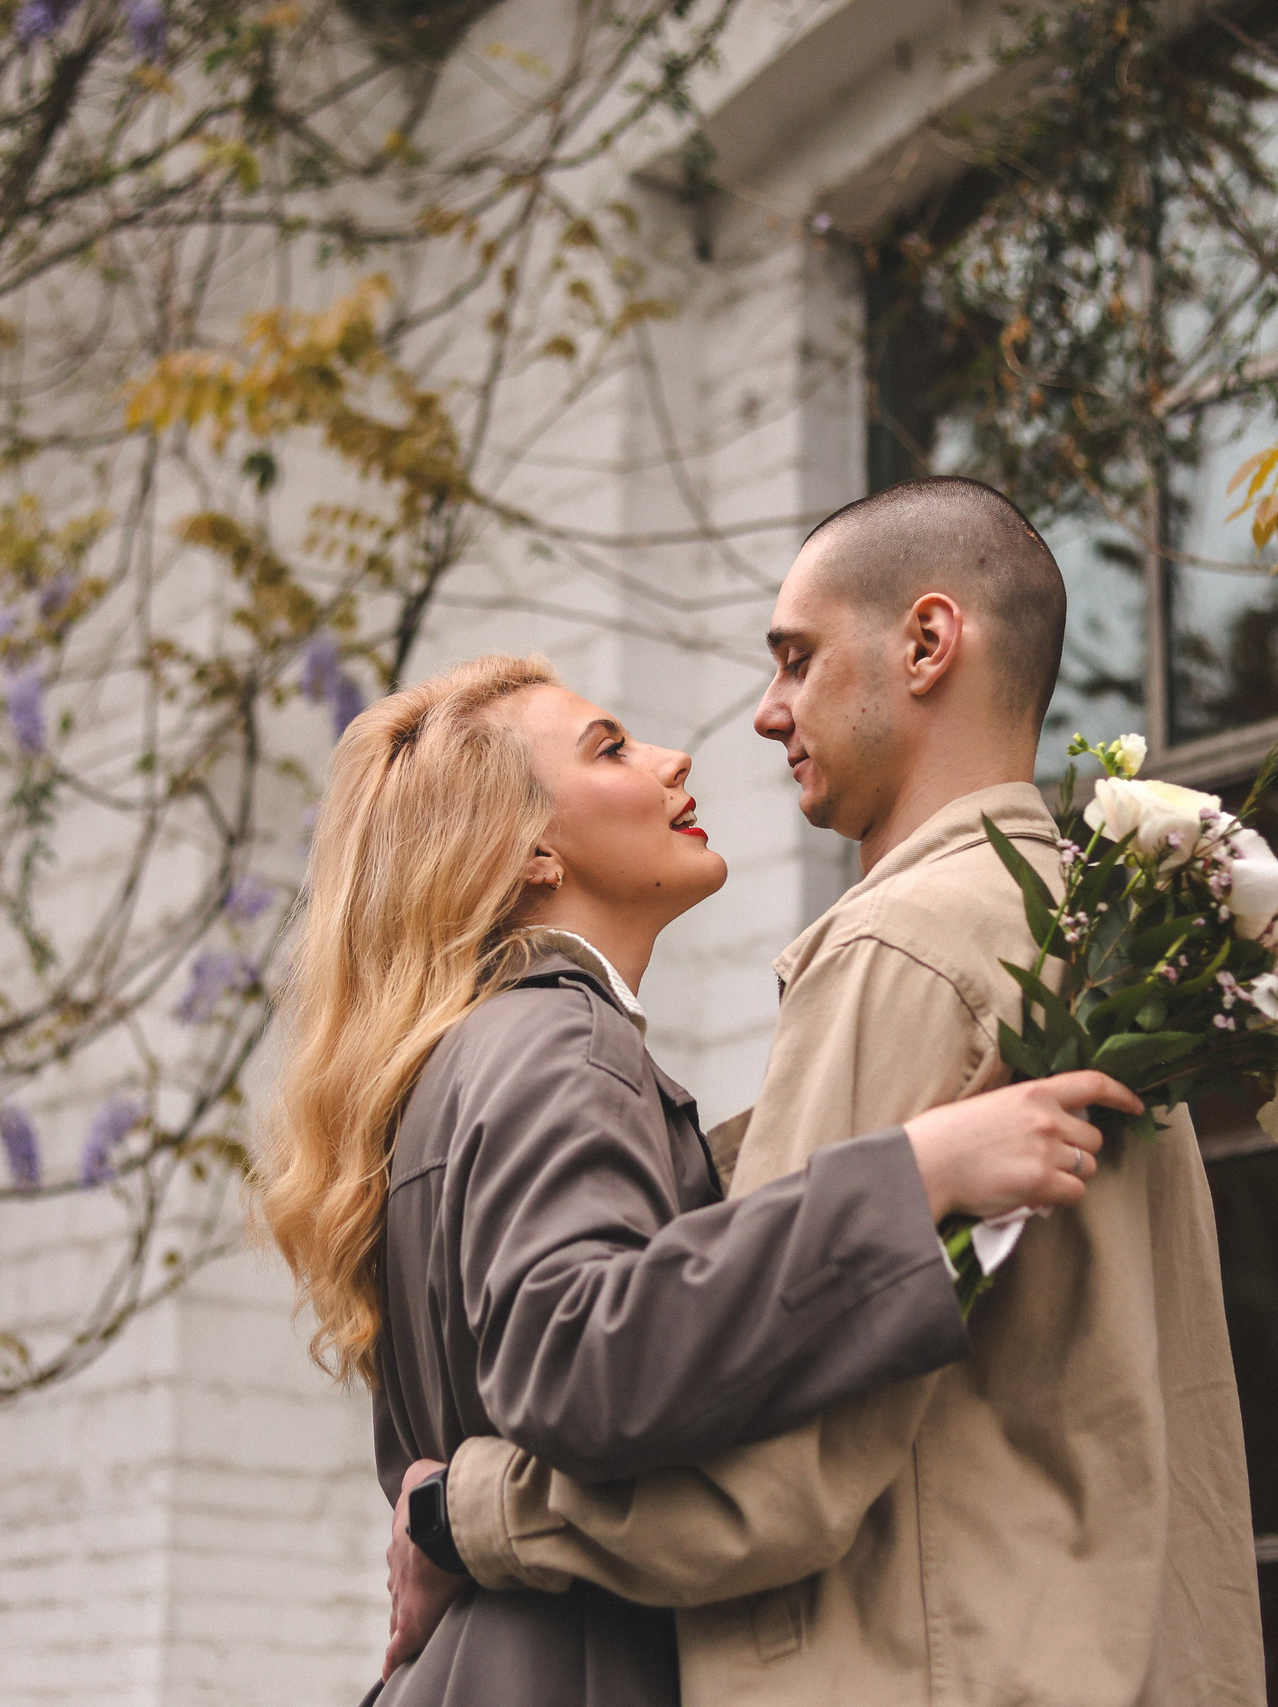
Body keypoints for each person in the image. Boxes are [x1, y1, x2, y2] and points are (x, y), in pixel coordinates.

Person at [386, 478, 1267, 1706]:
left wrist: (461, 1516)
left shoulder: (900, 951)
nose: (760, 715)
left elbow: (767, 1482)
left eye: (793, 661)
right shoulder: (1099, 943)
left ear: (925, 642)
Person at [257, 651, 1145, 1707]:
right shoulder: (559, 1044)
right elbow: (575, 1348)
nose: (675, 760)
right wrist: (914, 1175)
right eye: (612, 749)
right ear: (528, 847)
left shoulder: (476, 1055)